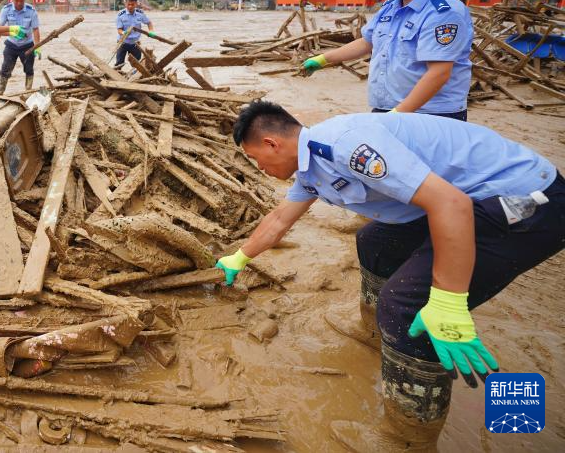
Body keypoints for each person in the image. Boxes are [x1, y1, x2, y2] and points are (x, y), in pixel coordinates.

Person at [215, 101, 563, 450]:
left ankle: (407, 439)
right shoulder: (312, 167)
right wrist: (239, 257)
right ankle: (375, 334)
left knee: (405, 307)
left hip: (525, 202)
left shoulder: (345, 145)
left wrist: (448, 299)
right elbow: (279, 219)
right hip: (471, 200)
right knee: (375, 241)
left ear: (272, 143)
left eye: (255, 158)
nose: (259, 167)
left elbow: (450, 205)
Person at [302, 0, 473, 120]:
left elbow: (439, 72)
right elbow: (367, 42)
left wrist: (398, 114)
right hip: (390, 108)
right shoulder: (391, 6)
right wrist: (323, 59)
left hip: (430, 114)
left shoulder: (443, 13)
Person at [0, 0, 42, 94]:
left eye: (22, 1)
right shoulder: (6, 10)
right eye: (16, 1)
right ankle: (0, 91)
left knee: (29, 69)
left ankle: (28, 91)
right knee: (5, 68)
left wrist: (38, 47)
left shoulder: (31, 11)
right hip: (11, 44)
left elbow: (35, 29)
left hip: (27, 45)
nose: (19, 3)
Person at [115, 0, 156, 68]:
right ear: (125, 3)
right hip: (122, 42)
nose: (130, 6)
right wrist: (124, 33)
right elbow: (119, 30)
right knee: (119, 64)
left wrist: (151, 31)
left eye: (132, 4)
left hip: (135, 44)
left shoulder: (140, 13)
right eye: (128, 4)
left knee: (137, 66)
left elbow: (149, 23)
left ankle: (134, 78)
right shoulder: (120, 15)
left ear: (136, 4)